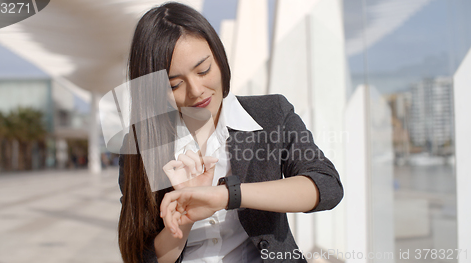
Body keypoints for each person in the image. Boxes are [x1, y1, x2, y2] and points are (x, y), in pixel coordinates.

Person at [118, 2, 343, 263]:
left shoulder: (271, 114)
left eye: (204, 70)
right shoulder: (140, 143)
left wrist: (226, 196)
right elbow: (140, 256)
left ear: (218, 56)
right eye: (175, 84)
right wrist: (185, 220)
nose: (196, 90)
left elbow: (327, 185)